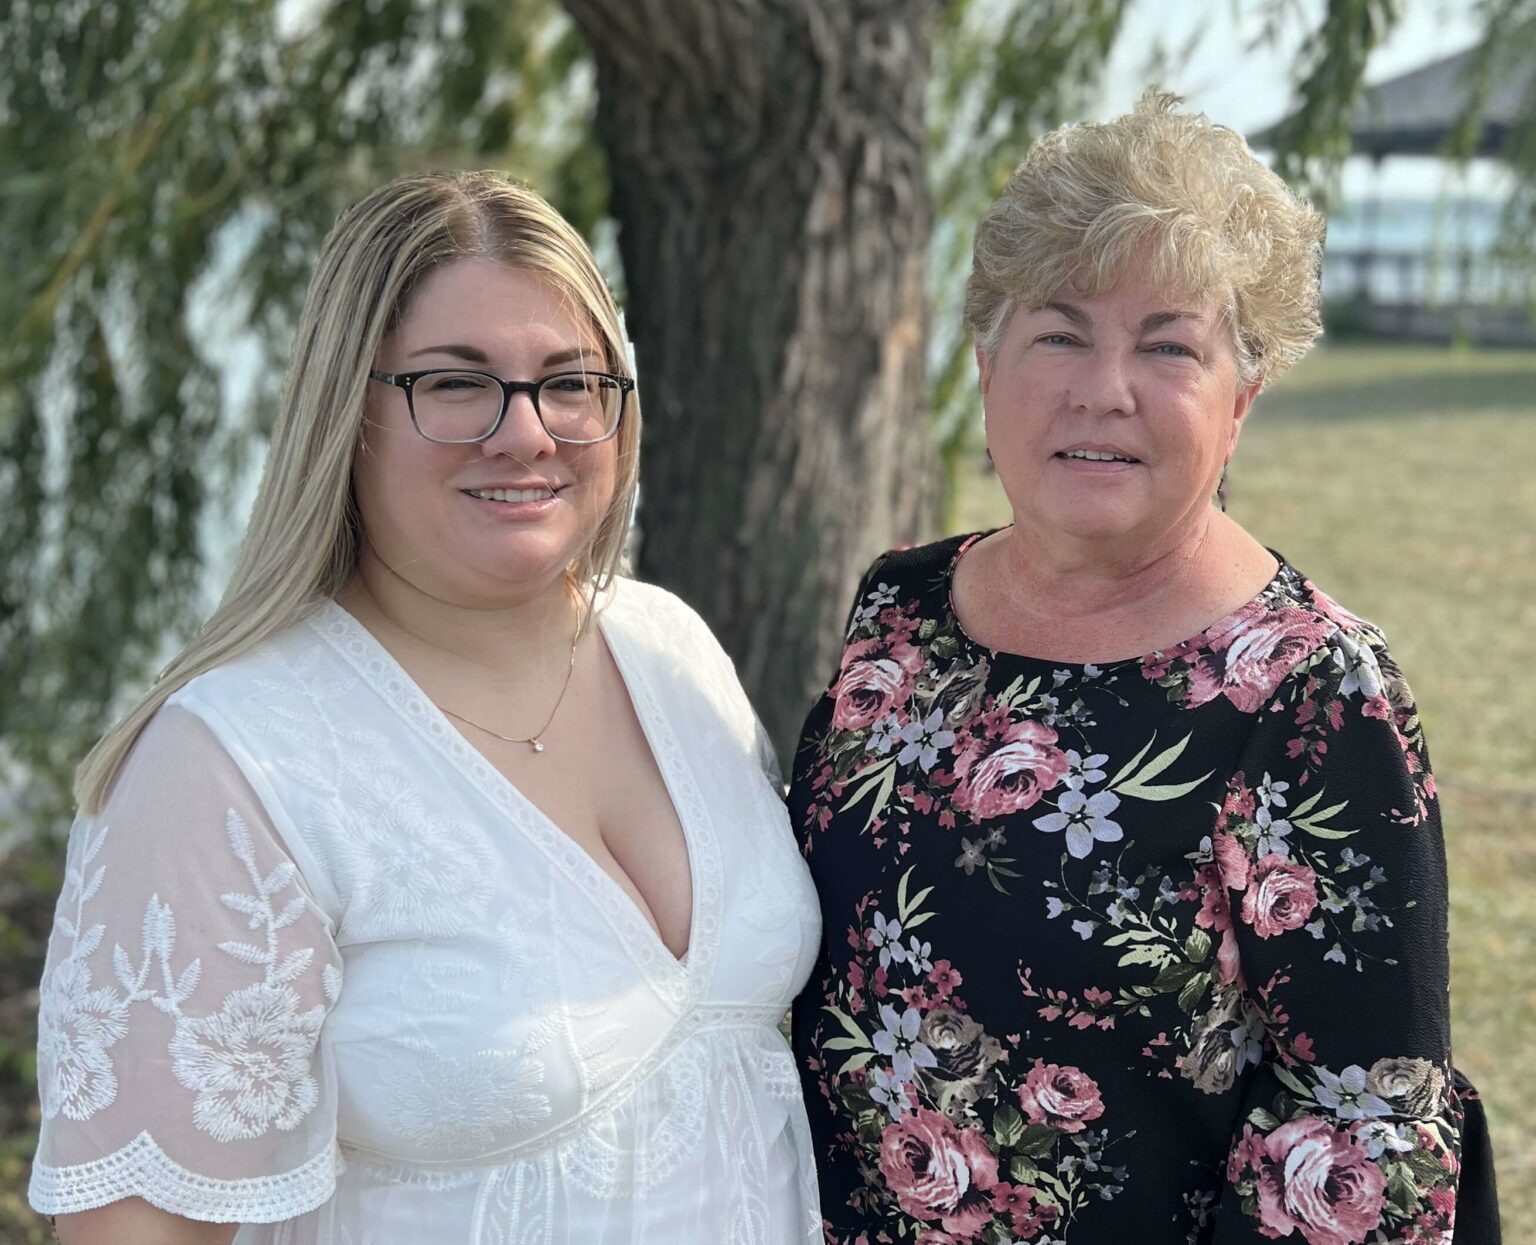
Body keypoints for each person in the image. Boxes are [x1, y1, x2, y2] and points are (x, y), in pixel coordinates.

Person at [30, 171, 823, 1244]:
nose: (527, 432)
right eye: (456, 384)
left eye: (570, 381)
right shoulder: (235, 762)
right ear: (349, 410)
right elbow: (141, 1230)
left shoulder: (668, 647)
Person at [789, 94, 1498, 1243]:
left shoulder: (1314, 692)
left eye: (1168, 344)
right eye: (1060, 333)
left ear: (1241, 402)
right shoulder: (904, 606)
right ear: (987, 363)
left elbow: (1365, 1138)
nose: (1102, 387)